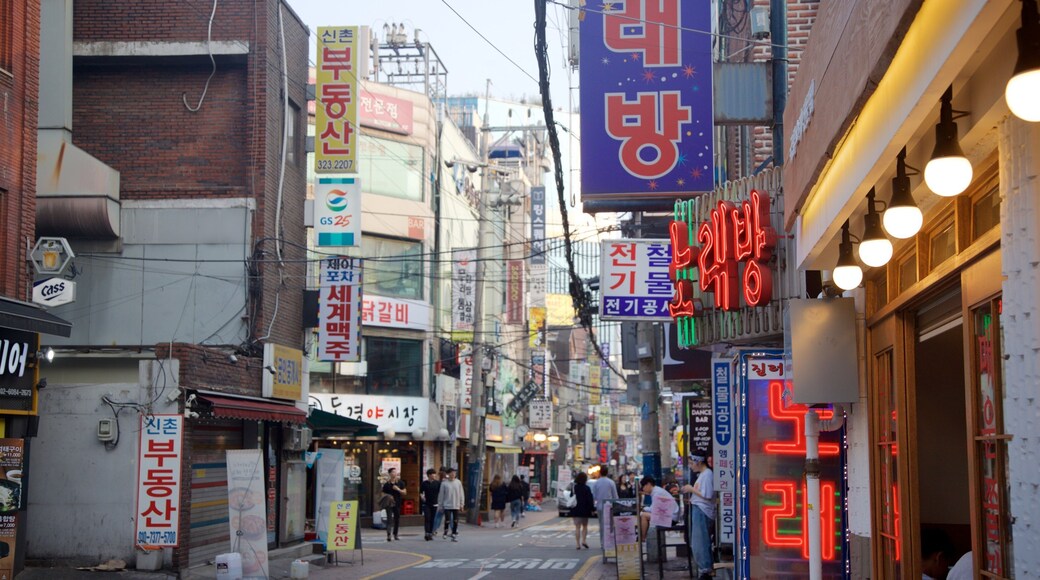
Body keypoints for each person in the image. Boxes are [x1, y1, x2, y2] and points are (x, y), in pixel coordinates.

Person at [681, 452, 716, 580]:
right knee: (698, 542)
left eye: (691, 463)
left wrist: (691, 489)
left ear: (699, 461)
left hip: (702, 511)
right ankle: (705, 569)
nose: (690, 466)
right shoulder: (703, 475)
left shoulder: (707, 474)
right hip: (699, 509)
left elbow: (707, 495)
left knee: (700, 542)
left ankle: (705, 570)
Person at [639, 475, 679, 540]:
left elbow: (653, 510)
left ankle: (643, 538)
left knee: (643, 515)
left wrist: (642, 509)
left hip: (671, 519)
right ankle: (643, 537)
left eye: (643, 486)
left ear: (648, 484)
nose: (643, 489)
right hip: (670, 517)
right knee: (644, 513)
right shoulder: (657, 491)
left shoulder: (657, 493)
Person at [591, 465, 619, 550]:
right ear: (607, 472)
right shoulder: (611, 482)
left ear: (600, 472)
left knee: (602, 525)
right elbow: (615, 496)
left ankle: (602, 543)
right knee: (610, 525)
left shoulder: (596, 483)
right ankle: (610, 542)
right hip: (610, 507)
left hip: (600, 507)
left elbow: (594, 496)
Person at [437, 467, 465, 541]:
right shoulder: (444, 483)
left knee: (455, 520)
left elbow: (461, 493)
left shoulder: (458, 482)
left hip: (456, 504)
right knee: (447, 519)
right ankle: (445, 531)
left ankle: (454, 533)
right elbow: (441, 495)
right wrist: (440, 505)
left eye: (454, 473)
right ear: (448, 474)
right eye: (451, 473)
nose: (453, 474)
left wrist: (462, 504)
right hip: (447, 505)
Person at [570, 471, 595, 550]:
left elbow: (571, 497)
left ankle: (577, 544)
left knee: (577, 527)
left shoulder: (574, 488)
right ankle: (584, 541)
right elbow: (590, 499)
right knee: (585, 526)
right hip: (585, 510)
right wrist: (592, 509)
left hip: (576, 509)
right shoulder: (587, 488)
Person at [381, 468, 407, 542]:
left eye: (395, 472)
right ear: (389, 474)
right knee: (389, 519)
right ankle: (389, 534)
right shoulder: (386, 484)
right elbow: (382, 493)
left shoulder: (400, 483)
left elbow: (405, 492)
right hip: (389, 504)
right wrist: (388, 496)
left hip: (397, 503)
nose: (394, 474)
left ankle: (395, 534)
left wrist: (398, 489)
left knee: (397, 519)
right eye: (392, 472)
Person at [420, 468, 441, 541]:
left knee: (433, 519)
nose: (434, 475)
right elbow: (421, 492)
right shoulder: (424, 483)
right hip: (426, 503)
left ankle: (430, 533)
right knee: (427, 518)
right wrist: (422, 496)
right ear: (429, 475)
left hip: (435, 503)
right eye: (432, 474)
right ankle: (426, 533)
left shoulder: (438, 483)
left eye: (435, 474)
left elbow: (440, 493)